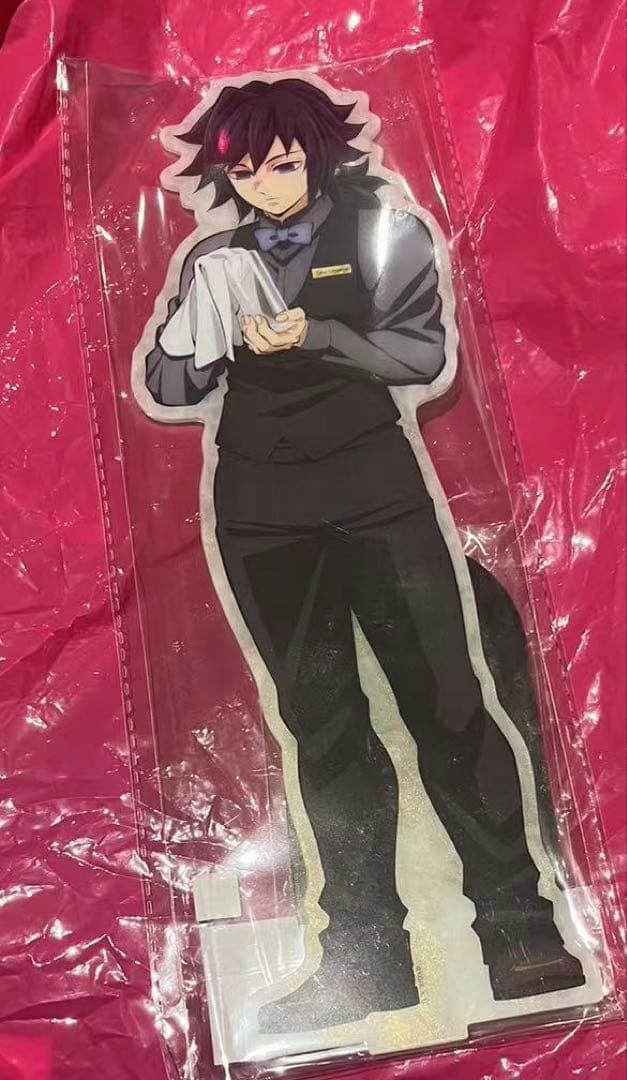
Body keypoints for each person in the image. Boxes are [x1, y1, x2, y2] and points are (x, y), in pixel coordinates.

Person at [143, 78, 584, 1032]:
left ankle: (521, 931)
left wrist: (320, 332)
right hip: (259, 509)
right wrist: (192, 335)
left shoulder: (389, 233)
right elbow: (168, 384)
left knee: (447, 706)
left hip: (377, 493)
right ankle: (367, 961)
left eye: (282, 164)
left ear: (318, 155)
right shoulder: (213, 259)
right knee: (323, 730)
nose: (265, 185)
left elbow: (420, 357)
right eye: (244, 172)